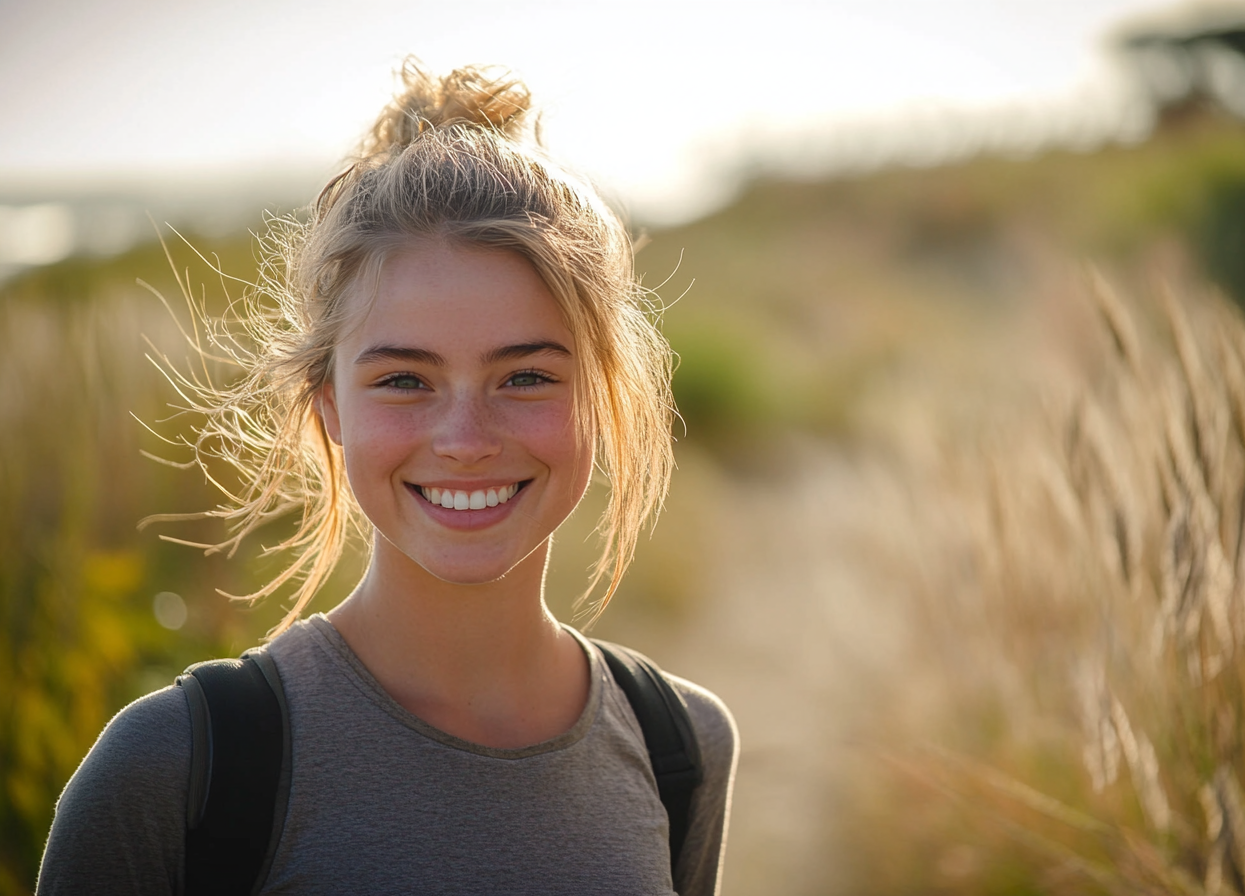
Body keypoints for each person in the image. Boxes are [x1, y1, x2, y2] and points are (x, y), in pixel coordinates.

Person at [37, 62, 737, 895]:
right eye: (405, 379)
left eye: (527, 377)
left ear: (602, 394)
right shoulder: (179, 769)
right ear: (327, 403)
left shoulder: (680, 750)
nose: (465, 441)